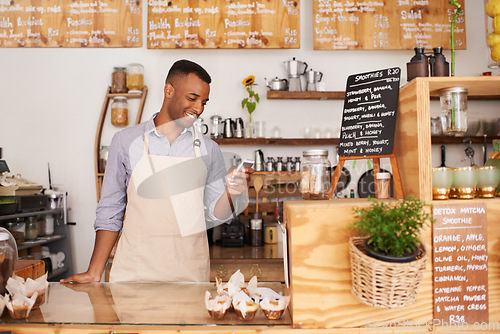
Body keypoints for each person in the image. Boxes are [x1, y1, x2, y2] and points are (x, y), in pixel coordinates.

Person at [62, 59, 250, 283]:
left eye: (204, 102)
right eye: (192, 98)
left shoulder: (209, 149)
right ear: (169, 90)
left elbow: (216, 214)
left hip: (189, 276)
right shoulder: (125, 141)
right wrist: (94, 272)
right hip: (134, 274)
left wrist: (230, 193)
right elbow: (110, 210)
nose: (199, 109)